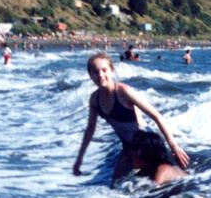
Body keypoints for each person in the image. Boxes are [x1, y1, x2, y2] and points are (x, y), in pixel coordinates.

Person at [72, 52, 189, 185]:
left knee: (175, 180)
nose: (100, 75)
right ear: (90, 75)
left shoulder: (123, 92)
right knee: (115, 186)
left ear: (111, 71)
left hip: (147, 146)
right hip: (128, 148)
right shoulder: (95, 99)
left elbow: (155, 115)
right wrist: (80, 158)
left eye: (104, 70)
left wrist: (174, 146)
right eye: (95, 72)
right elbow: (90, 129)